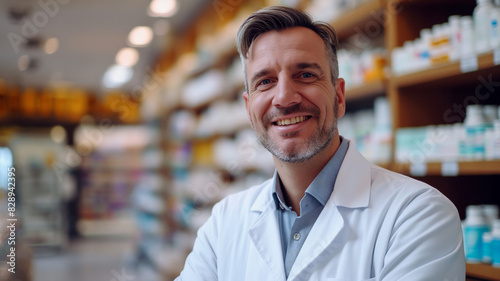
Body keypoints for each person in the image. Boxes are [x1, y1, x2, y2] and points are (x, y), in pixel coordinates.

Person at [175, 6, 465, 281]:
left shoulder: (418, 216)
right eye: (265, 81)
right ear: (249, 110)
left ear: (339, 97)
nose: (285, 98)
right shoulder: (225, 221)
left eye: (305, 75)